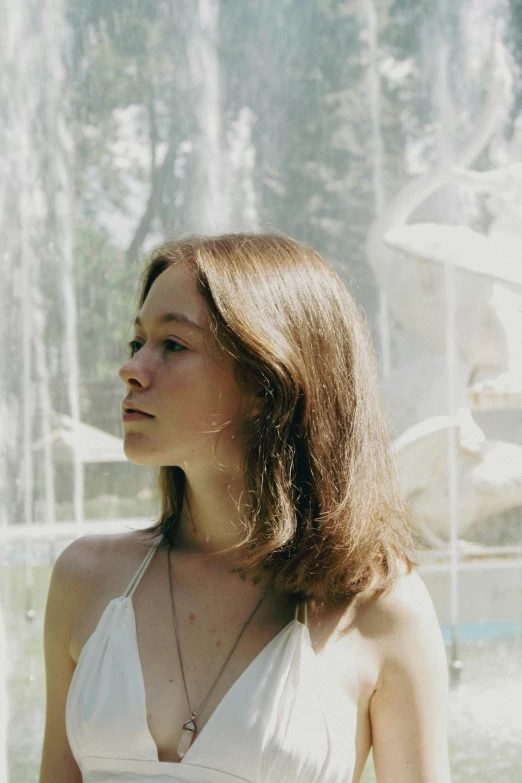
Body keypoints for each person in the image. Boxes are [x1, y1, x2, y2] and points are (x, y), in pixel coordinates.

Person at [39, 232, 452, 783]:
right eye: (136, 341)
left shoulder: (380, 607)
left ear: (268, 380)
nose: (133, 368)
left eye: (173, 344)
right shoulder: (87, 580)